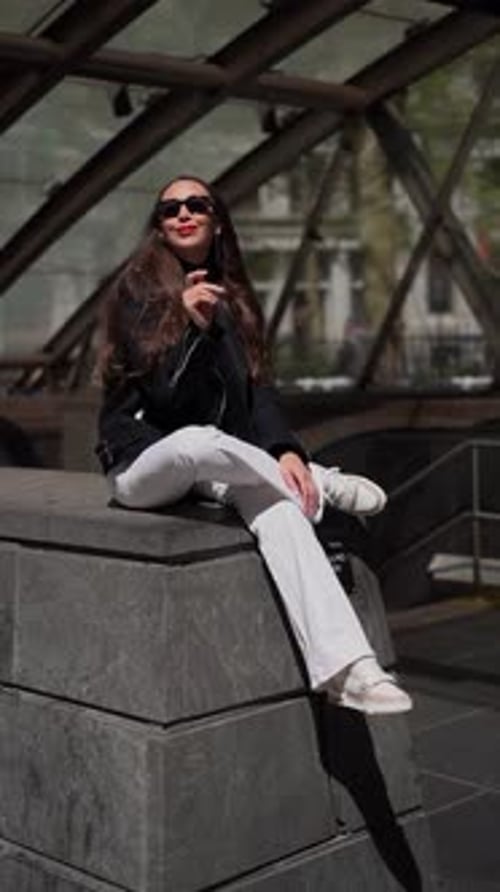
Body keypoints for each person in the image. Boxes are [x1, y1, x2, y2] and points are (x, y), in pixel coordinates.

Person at [95, 174, 412, 715]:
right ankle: (323, 481)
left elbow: (259, 391)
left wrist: (287, 450)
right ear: (160, 225)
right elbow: (164, 395)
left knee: (281, 512)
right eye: (170, 209)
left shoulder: (236, 303)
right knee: (197, 440)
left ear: (217, 220)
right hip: (144, 462)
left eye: (197, 205)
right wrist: (189, 324)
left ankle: (349, 670)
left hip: (222, 468)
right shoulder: (139, 292)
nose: (183, 214)